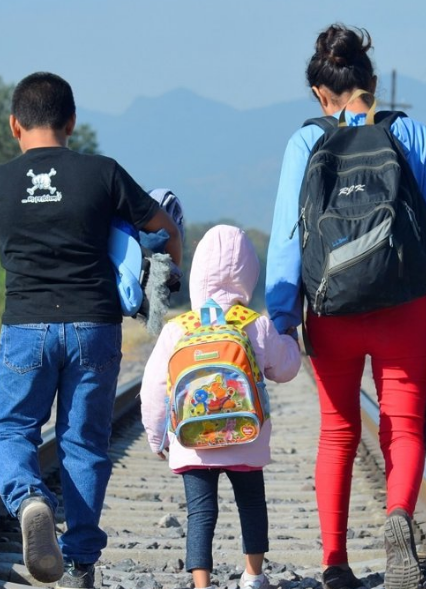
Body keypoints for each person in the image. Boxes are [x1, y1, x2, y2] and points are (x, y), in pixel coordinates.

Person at [265, 24, 426, 589]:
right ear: (372, 82)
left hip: (332, 310)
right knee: (403, 427)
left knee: (337, 432)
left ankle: (335, 561)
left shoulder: (305, 142)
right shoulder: (413, 135)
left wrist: (283, 316)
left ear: (319, 94)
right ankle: (398, 517)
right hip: (405, 305)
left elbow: (287, 238)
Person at [0, 72, 183, 589]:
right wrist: (167, 277)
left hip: (26, 325)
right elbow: (164, 229)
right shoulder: (102, 172)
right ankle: (79, 565)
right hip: (93, 324)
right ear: (71, 122)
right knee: (84, 443)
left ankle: (30, 499)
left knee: (11, 431)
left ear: (14, 125)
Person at [140, 225, 302, 589]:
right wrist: (290, 340)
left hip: (192, 441)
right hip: (245, 436)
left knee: (200, 514)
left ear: (198, 272)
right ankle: (253, 576)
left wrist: (156, 438)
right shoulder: (255, 324)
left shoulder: (178, 328)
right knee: (252, 505)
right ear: (249, 274)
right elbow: (285, 369)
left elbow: (154, 390)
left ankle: (202, 584)